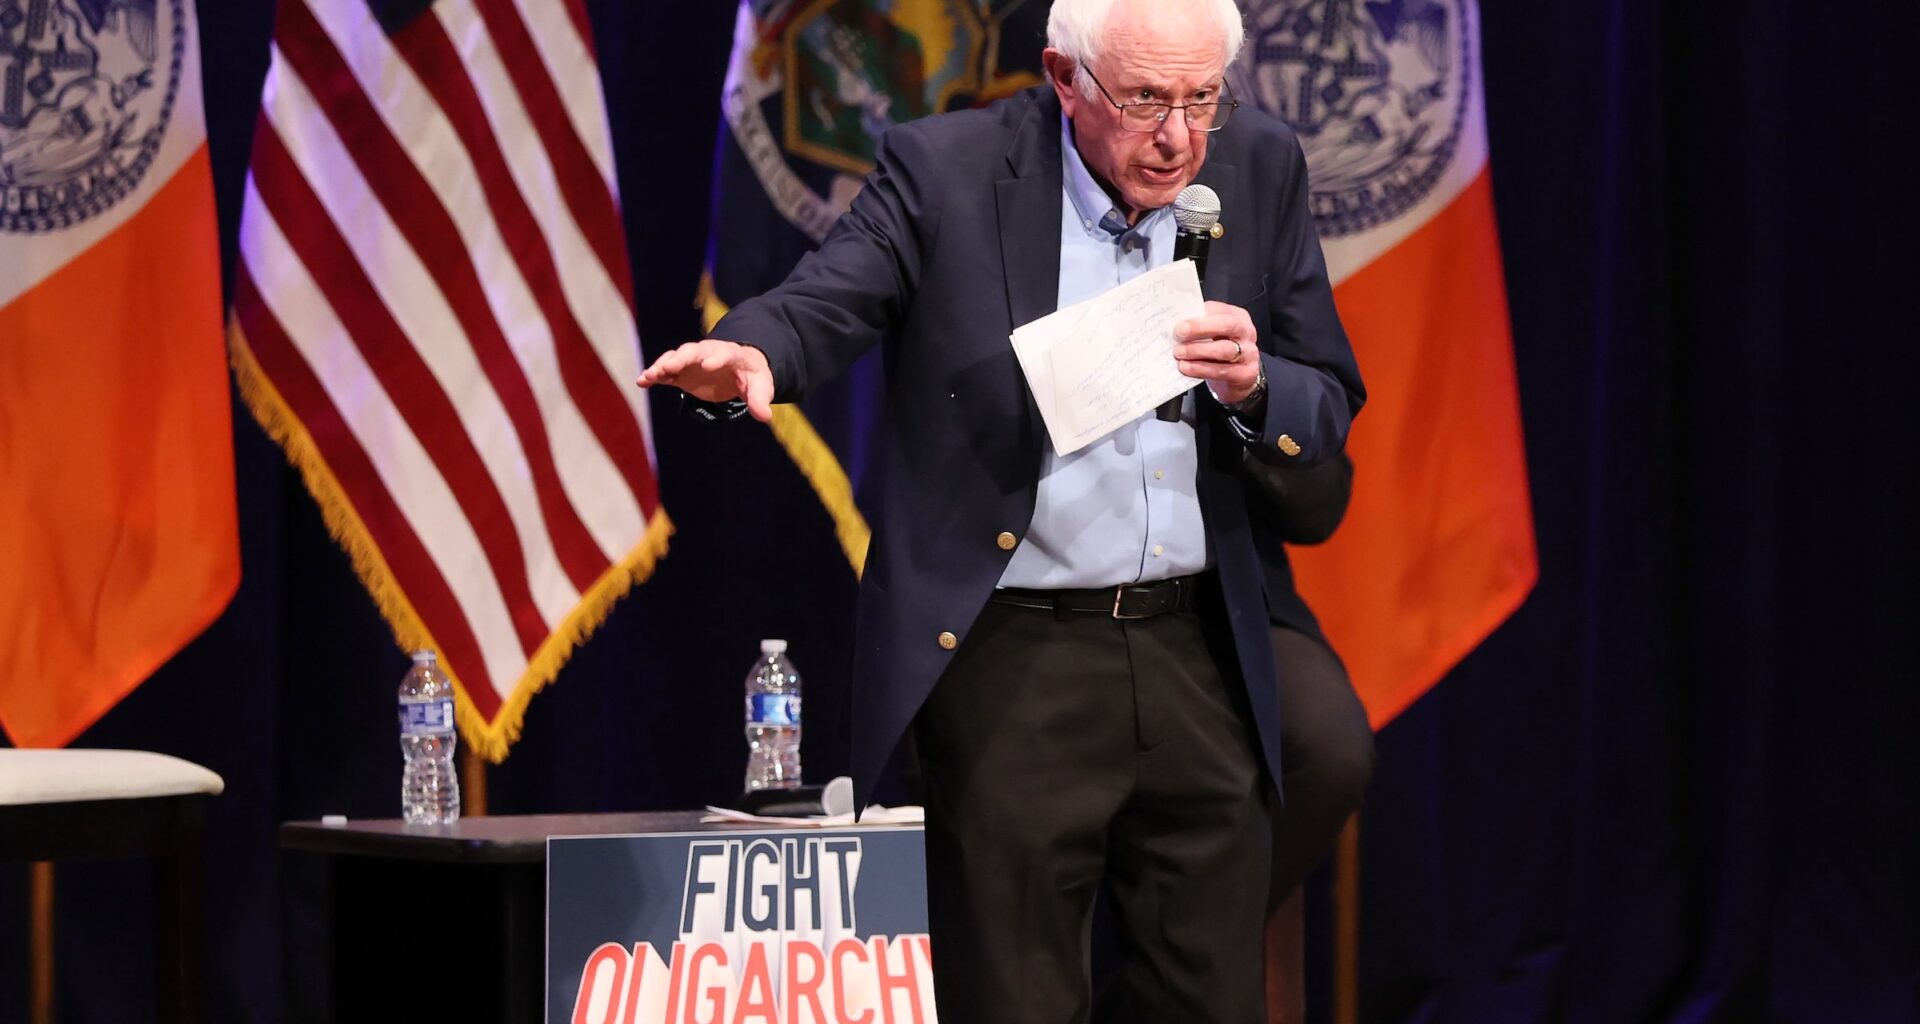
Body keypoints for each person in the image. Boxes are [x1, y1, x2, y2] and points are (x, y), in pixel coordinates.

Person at [638, 0, 1364, 1018]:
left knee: (1208, 990)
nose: (1180, 137)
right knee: (1015, 993)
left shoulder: (1259, 164)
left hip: (1196, 637)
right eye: (1148, 99)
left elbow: (1327, 393)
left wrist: (1254, 387)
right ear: (1066, 79)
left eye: (1204, 98)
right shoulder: (950, 170)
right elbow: (831, 295)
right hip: (1019, 644)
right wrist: (755, 349)